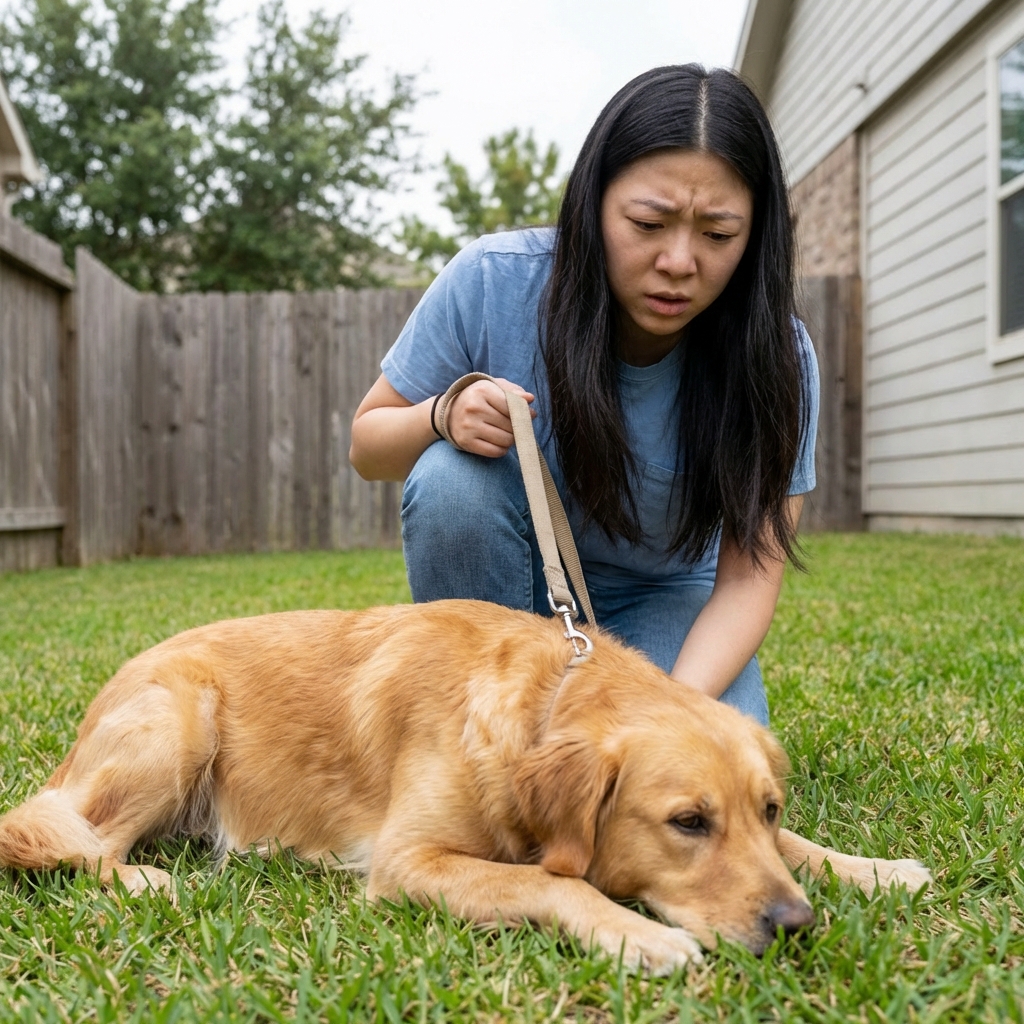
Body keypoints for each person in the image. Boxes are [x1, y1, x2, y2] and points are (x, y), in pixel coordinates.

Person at [349, 64, 819, 727]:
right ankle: (480, 712)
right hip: (511, 599)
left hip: (662, 604)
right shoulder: (491, 281)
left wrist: (667, 710)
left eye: (718, 234)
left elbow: (748, 580)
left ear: (756, 234)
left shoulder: (778, 357)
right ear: (593, 202)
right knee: (451, 479)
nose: (679, 262)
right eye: (648, 223)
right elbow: (367, 447)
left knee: (701, 766)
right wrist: (440, 415)